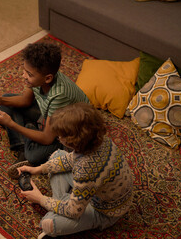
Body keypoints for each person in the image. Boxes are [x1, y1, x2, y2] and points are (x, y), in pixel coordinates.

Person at [17, 102, 134, 238]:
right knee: (57, 156)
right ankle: (64, 202)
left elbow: (74, 212)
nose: (58, 139)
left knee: (48, 224)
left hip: (105, 211)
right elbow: (71, 159)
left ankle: (62, 206)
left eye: (60, 136)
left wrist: (40, 199)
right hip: (99, 189)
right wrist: (38, 169)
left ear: (74, 140)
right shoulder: (100, 141)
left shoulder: (85, 168)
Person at [0, 42, 89, 172]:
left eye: (29, 74)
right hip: (51, 115)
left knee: (34, 156)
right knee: (5, 102)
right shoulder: (40, 79)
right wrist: (0, 99)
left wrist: (11, 124)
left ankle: (27, 135)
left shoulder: (59, 95)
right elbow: (25, 101)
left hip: (70, 130)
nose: (23, 76)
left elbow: (47, 139)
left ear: (48, 78)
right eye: (24, 71)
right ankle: (23, 145)